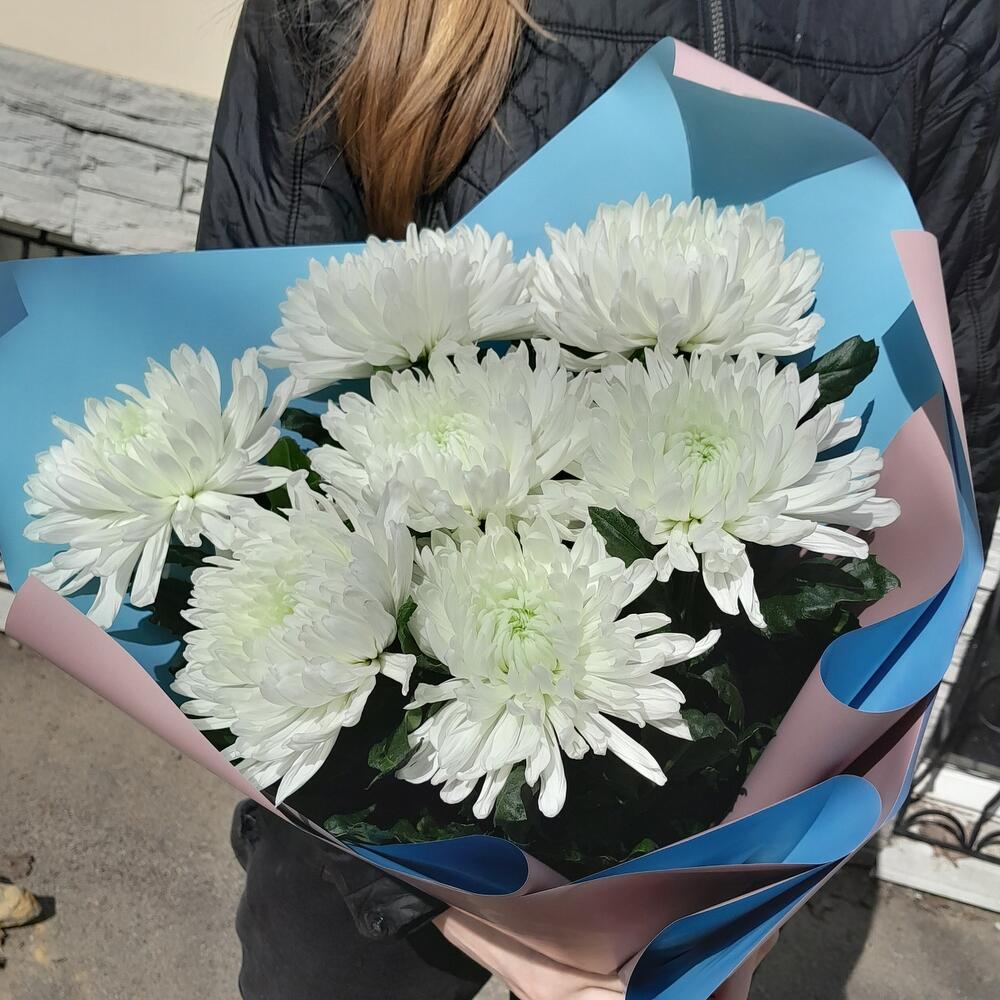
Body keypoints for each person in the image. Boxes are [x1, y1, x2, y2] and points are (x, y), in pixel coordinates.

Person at [197, 2, 999, 998]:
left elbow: (945, 436)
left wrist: (745, 888)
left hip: (723, 776)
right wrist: (402, 871)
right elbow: (260, 384)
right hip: (374, 781)